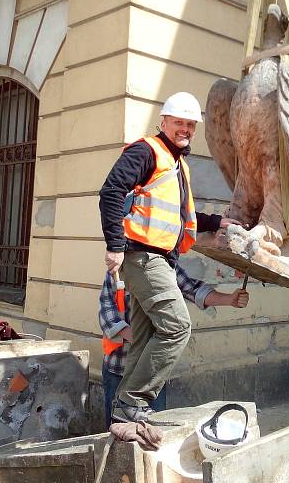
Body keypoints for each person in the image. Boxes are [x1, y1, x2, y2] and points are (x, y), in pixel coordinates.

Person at [99, 91, 242, 422]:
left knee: (145, 337)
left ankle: (123, 411)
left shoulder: (177, 165)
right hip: (142, 256)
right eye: (179, 122)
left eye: (191, 125)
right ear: (164, 121)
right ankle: (135, 400)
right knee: (177, 326)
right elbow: (111, 192)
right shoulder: (146, 151)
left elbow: (182, 217)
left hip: (158, 258)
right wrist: (115, 245)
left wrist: (218, 221)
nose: (186, 130)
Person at [99, 266, 249, 427]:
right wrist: (140, 338)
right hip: (118, 368)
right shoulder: (118, 271)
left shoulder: (164, 266)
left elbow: (193, 289)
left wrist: (230, 299)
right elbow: (107, 316)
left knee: (152, 430)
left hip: (152, 376)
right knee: (116, 430)